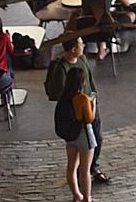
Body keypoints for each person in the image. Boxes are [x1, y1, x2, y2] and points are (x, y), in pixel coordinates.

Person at [46, 37, 110, 185]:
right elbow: (62, 95)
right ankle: (84, 172)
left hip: (91, 104)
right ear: (73, 49)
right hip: (75, 113)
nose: (84, 46)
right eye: (81, 44)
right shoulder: (61, 69)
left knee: (98, 138)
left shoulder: (82, 59)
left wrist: (93, 96)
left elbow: (90, 80)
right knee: (80, 143)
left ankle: (91, 167)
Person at [54, 63, 98, 202]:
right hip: (84, 136)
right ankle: (87, 199)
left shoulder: (63, 98)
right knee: (85, 170)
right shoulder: (82, 98)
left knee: (71, 166)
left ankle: (76, 195)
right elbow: (89, 118)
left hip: (70, 137)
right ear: (82, 82)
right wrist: (93, 104)